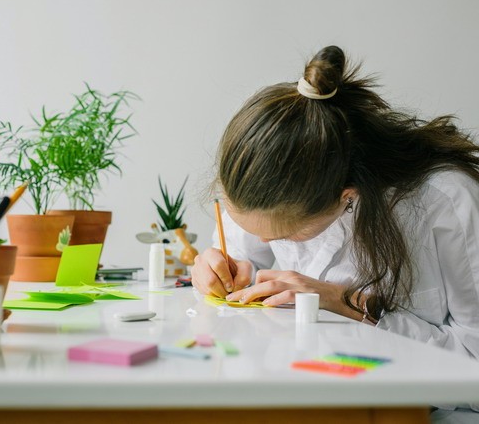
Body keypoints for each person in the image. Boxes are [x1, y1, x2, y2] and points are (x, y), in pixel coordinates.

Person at [192, 45, 479, 362]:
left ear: (347, 197)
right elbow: (243, 258)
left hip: (419, 406)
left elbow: (473, 358)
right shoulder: (264, 187)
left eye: (285, 235)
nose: (264, 242)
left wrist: (347, 302)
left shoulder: (447, 201)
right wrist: (219, 268)